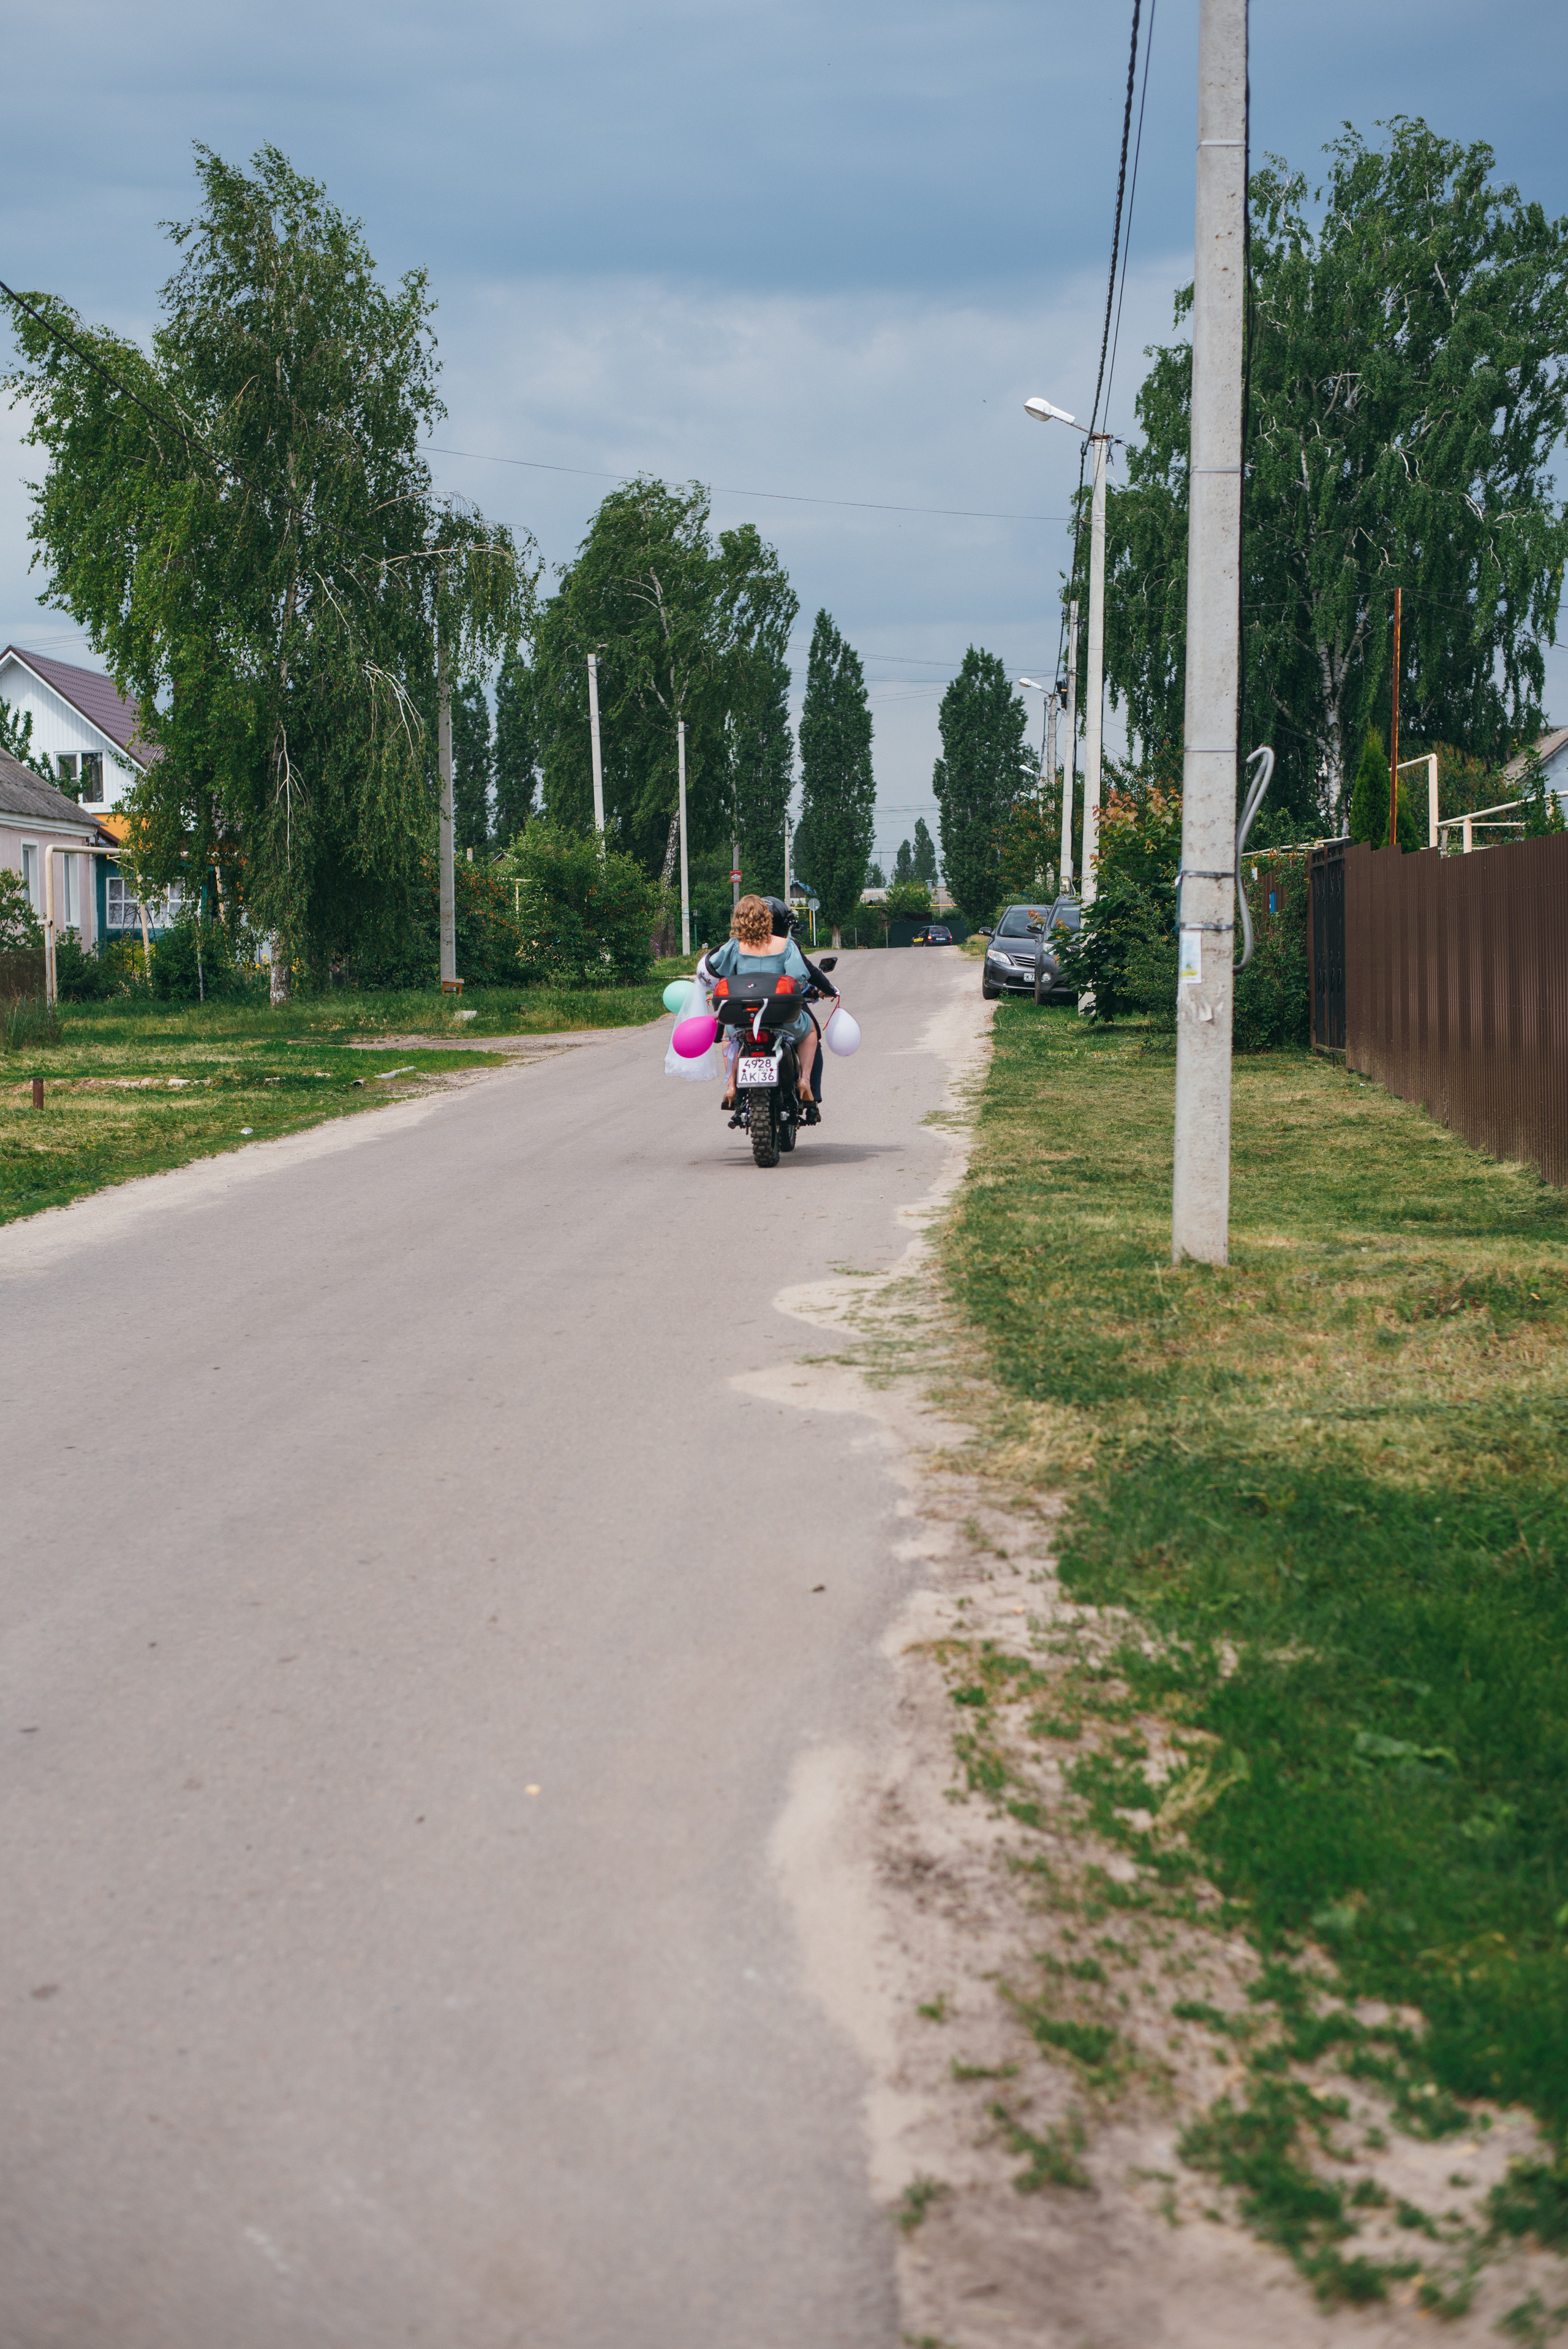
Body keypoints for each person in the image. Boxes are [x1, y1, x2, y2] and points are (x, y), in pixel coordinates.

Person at [703, 894, 836, 1114]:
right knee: (811, 1030)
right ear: (767, 919)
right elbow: (798, 976)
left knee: (728, 1035)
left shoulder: (734, 946)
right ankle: (804, 1080)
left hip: (743, 1019)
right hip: (782, 1020)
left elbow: (715, 969)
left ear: (738, 919)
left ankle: (731, 1086)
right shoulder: (786, 945)